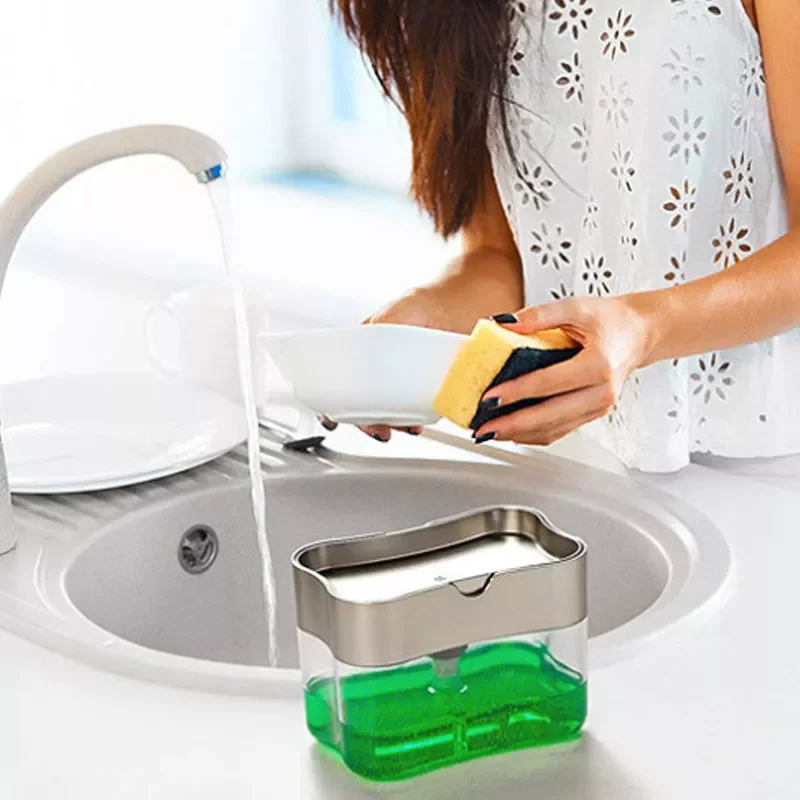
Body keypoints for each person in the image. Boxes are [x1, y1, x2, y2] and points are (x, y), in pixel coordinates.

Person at [327, 0, 800, 477]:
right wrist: (427, 316)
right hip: (568, 456)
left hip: (766, 462)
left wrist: (646, 328)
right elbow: (501, 254)